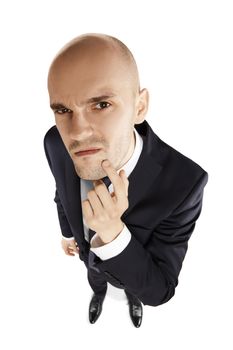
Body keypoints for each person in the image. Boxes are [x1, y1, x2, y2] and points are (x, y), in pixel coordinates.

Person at [43, 33, 208, 328]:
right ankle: (98, 293)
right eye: (64, 110)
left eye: (101, 105)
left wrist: (112, 233)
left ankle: (131, 301)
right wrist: (69, 232)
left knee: (134, 289)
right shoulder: (55, 142)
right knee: (95, 277)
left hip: (133, 267)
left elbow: (160, 289)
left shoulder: (185, 182)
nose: (77, 132)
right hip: (86, 254)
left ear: (140, 107)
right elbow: (60, 190)